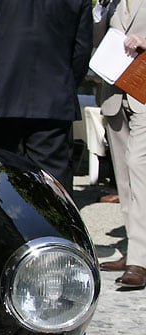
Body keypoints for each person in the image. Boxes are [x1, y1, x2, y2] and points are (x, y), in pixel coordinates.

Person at [0, 0, 93, 196]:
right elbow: (82, 48)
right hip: (53, 96)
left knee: (2, 179)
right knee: (53, 183)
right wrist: (66, 84)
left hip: (2, 93)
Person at [94, 0, 146, 288]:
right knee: (124, 177)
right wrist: (98, 11)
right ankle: (133, 250)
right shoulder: (110, 3)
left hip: (144, 91)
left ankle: (140, 260)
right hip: (115, 94)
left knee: (139, 167)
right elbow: (95, 39)